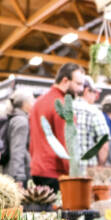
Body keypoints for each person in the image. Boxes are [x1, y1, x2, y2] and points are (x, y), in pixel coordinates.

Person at [29, 63, 85, 191]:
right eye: (78, 84)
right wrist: (75, 174)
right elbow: (67, 144)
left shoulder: (38, 102)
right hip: (56, 173)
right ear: (65, 81)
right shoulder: (64, 105)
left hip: (37, 171)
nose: (81, 89)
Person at [73, 76, 109, 175]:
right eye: (94, 93)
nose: (95, 97)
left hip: (65, 170)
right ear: (87, 91)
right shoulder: (94, 112)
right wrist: (100, 166)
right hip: (88, 172)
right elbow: (103, 144)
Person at [3, 89, 35, 186]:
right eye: (32, 100)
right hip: (20, 175)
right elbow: (17, 150)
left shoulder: (14, 118)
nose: (34, 103)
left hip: (13, 171)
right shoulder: (21, 121)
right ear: (25, 103)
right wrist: (18, 178)